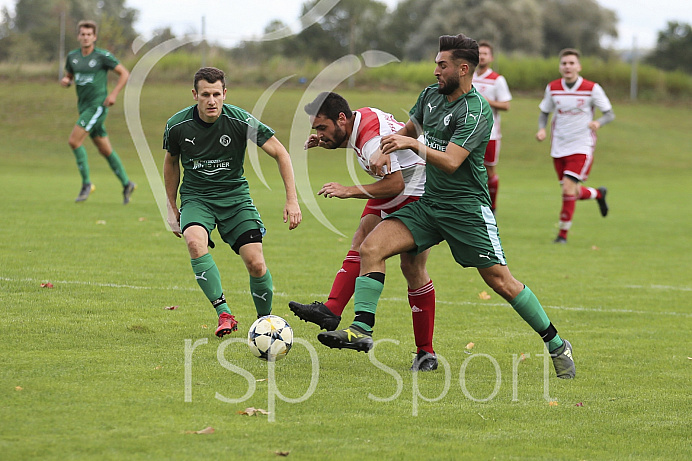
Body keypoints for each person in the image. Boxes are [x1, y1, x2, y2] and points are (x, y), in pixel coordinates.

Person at [317, 34, 576, 379]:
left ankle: (556, 343)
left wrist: (410, 143)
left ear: (463, 69)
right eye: (436, 64)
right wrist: (386, 148)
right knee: (371, 246)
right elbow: (411, 127)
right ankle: (361, 330)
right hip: (430, 204)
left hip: (466, 209)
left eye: (442, 65)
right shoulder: (429, 96)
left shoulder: (476, 110)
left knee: (501, 281)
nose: (435, 70)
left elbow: (452, 162)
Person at [288, 92, 438, 371]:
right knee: (362, 237)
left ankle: (415, 348)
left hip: (418, 192)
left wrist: (348, 191)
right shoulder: (362, 116)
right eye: (316, 129)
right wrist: (327, 141)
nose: (319, 133)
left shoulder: (371, 143)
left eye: (322, 128)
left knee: (409, 267)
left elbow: (394, 185)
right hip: (409, 181)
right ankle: (332, 310)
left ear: (341, 118)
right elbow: (365, 145)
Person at [163, 67, 302, 337]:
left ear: (225, 94)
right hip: (197, 198)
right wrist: (171, 207)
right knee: (194, 241)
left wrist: (292, 200)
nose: (211, 100)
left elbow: (281, 153)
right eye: (205, 94)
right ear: (195, 95)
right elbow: (171, 162)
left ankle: (265, 324)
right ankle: (224, 313)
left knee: (256, 263)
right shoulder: (177, 125)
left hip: (235, 198)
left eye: (216, 94)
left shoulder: (240, 120)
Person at [536, 48, 614, 244]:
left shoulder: (591, 88)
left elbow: (609, 113)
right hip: (559, 145)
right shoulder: (553, 87)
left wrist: (599, 123)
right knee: (572, 191)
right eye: (564, 63)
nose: (568, 67)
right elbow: (545, 112)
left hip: (581, 145)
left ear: (578, 66)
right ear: (560, 66)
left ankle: (562, 235)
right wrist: (541, 129)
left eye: (571, 63)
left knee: (568, 189)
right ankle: (598, 194)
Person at [60, 20, 136, 203]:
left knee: (74, 141)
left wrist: (113, 95)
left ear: (94, 37)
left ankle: (87, 183)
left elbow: (125, 73)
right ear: (79, 36)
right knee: (104, 149)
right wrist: (66, 81)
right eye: (82, 34)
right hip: (83, 107)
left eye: (89, 34)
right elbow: (70, 75)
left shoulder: (102, 56)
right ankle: (127, 183)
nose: (85, 37)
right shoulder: (73, 57)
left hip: (98, 106)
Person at [472, 41, 512, 212]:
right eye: (479, 53)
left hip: (490, 133)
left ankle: (492, 207)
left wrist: (488, 102)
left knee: (489, 172)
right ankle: (472, 206)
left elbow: (506, 105)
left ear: (491, 57)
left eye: (485, 53)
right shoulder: (467, 76)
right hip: (468, 132)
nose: (481, 56)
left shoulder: (497, 80)